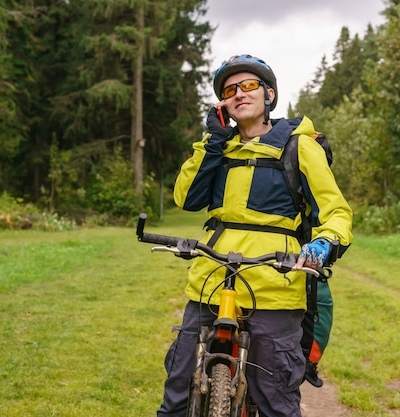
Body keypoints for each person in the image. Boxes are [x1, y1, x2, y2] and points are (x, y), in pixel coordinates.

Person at [157, 54, 353, 417]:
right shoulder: (218, 145)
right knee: (178, 393)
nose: (239, 93)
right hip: (210, 279)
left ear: (269, 95)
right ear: (223, 105)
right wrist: (212, 140)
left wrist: (324, 243)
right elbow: (186, 198)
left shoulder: (299, 145)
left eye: (249, 85)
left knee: (275, 398)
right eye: (230, 90)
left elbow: (336, 211)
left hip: (275, 282)